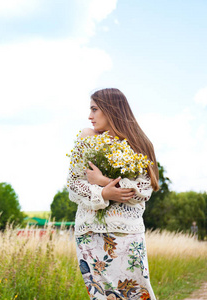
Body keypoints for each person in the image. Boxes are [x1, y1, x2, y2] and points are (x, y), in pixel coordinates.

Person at [67, 88, 159, 300]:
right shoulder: (86, 139)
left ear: (111, 110)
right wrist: (104, 194)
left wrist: (104, 183)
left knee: (137, 293)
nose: (90, 116)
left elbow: (143, 192)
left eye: (94, 109)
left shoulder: (141, 144)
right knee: (102, 296)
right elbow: (73, 185)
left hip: (126, 234)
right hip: (90, 232)